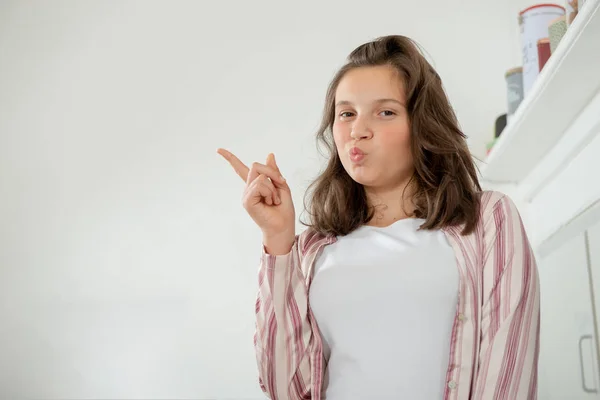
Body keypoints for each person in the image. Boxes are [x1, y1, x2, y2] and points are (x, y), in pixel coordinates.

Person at [217, 34, 540, 400]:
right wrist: (278, 240)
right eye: (346, 113)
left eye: (385, 112)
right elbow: (286, 389)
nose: (358, 130)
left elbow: (507, 377)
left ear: (422, 125)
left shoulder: (488, 221)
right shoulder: (311, 250)